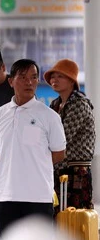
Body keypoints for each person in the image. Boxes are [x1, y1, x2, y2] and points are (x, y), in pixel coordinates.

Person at [0, 59, 66, 234]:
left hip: (37, 197)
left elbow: (59, 153)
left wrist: (33, 166)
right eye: (23, 77)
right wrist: (4, 182)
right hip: (6, 197)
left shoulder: (49, 116)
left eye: (33, 77)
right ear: (11, 81)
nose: (29, 82)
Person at [44, 59, 95, 209]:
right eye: (53, 76)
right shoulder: (55, 104)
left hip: (76, 170)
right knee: (58, 218)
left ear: (72, 81)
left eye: (60, 76)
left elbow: (62, 137)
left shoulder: (79, 103)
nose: (54, 80)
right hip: (59, 169)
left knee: (76, 219)